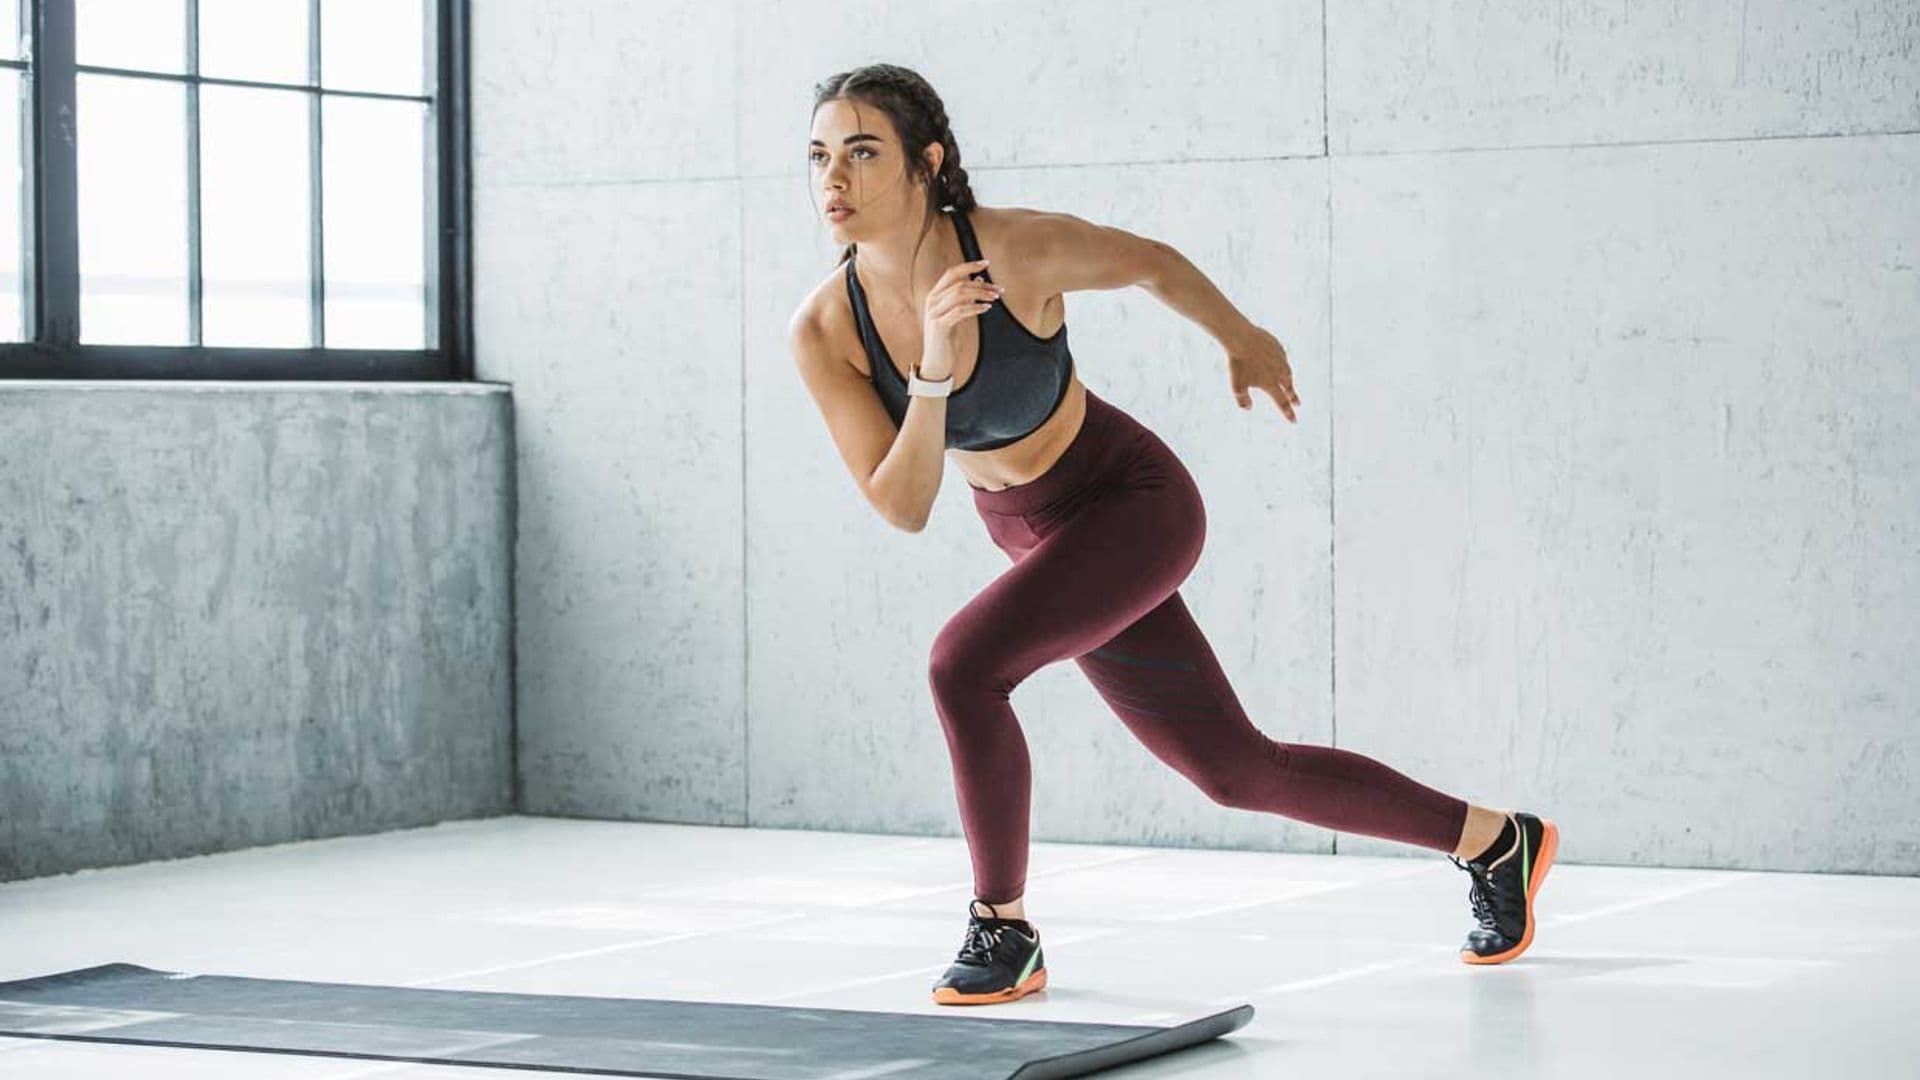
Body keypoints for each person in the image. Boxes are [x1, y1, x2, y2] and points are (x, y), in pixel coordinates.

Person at [787, 63, 1559, 1007]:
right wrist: (937, 369)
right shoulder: (829, 328)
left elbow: (1148, 258)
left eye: (864, 152)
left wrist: (1240, 334)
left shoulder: (1012, 251)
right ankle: (1494, 841)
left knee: (962, 665)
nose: (836, 178)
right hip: (1032, 535)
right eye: (821, 155)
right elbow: (903, 506)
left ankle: (1003, 925)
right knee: (1234, 770)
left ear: (926, 163)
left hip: (1130, 503)